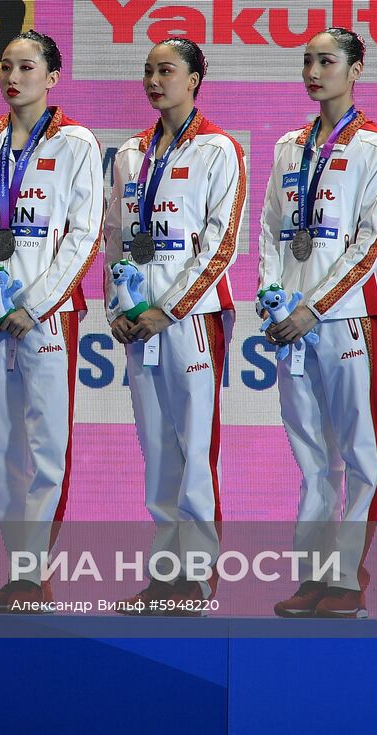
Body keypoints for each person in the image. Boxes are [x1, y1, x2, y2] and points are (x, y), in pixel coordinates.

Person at [0, 31, 102, 613]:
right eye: (6, 66)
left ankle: (34, 575)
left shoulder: (77, 143)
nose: (13, 77)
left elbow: (85, 236)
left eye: (27, 66)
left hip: (45, 318)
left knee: (45, 445)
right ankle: (16, 570)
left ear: (53, 76)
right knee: (3, 446)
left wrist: (30, 305)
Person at [259, 28, 377, 619]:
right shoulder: (290, 147)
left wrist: (311, 308)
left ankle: (346, 581)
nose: (315, 71)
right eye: (308, 61)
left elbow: (370, 246)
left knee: (358, 455)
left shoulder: (376, 147)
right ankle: (311, 578)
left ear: (357, 68)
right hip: (291, 325)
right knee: (314, 459)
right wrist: (273, 302)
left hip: (344, 322)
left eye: (329, 61)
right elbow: (269, 231)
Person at [105, 38, 245, 616]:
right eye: (148, 71)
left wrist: (172, 307)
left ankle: (198, 575)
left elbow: (221, 243)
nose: (154, 80)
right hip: (141, 323)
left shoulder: (219, 149)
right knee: (157, 450)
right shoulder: (131, 154)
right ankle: (165, 574)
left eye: (166, 70)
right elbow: (115, 236)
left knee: (194, 447)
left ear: (195, 79)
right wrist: (119, 305)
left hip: (191, 320)